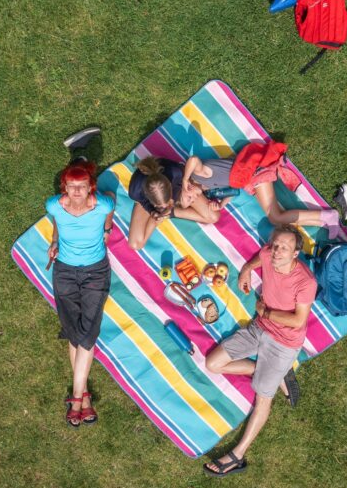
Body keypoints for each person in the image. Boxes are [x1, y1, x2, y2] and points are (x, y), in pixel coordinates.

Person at [202, 224, 317, 477]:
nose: (276, 252)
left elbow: (298, 321)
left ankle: (237, 456)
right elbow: (260, 257)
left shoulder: (305, 282)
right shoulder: (268, 254)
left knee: (262, 400)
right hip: (259, 328)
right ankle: (277, 375)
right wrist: (246, 269)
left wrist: (266, 312)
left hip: (284, 342)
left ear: (296, 253)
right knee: (213, 364)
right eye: (275, 245)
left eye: (284, 248)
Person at [46, 155, 116, 428]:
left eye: (82, 185)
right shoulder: (55, 205)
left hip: (96, 272)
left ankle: (76, 399)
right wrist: (54, 240)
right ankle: (84, 396)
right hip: (63, 270)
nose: (76, 191)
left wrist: (107, 227)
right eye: (71, 186)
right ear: (65, 187)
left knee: (86, 335)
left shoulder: (102, 205)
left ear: (90, 187)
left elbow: (111, 202)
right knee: (76, 335)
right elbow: (57, 220)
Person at [182, 154, 343, 237]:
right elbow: (234, 190)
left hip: (255, 173)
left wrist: (184, 179)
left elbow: (194, 159)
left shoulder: (200, 175)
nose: (193, 199)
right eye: (191, 202)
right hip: (250, 180)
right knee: (276, 219)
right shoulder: (205, 188)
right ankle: (323, 220)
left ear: (186, 187)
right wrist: (221, 204)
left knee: (275, 217)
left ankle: (328, 216)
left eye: (188, 197)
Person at [126, 156, 222, 250]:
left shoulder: (175, 172)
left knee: (213, 216)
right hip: (151, 200)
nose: (164, 207)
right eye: (159, 206)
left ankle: (169, 213)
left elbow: (187, 179)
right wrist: (151, 210)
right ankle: (160, 215)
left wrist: (185, 193)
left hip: (179, 189)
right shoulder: (135, 192)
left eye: (167, 203)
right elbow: (143, 202)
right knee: (135, 245)